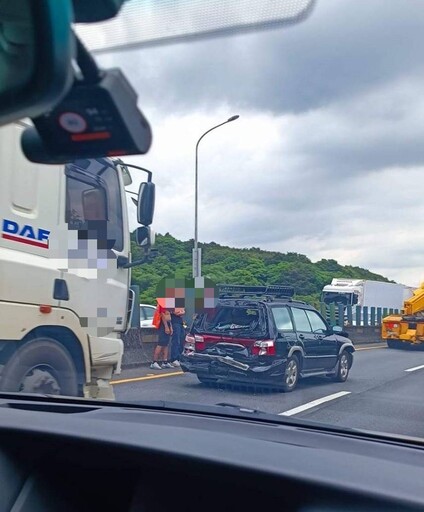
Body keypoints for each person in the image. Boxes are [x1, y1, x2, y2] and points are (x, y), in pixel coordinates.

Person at [150, 305, 174, 370]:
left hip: (167, 323)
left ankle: (165, 361)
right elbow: (163, 314)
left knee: (166, 344)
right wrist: (166, 326)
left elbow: (168, 315)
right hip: (163, 324)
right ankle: (154, 362)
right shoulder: (163, 303)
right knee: (161, 343)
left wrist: (170, 327)